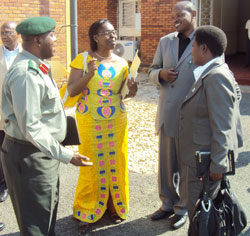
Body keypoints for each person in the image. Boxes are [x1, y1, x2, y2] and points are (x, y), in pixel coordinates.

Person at [0, 16, 92, 236]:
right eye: (52, 35)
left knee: (45, 217)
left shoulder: (38, 67)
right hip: (31, 156)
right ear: (38, 41)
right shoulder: (26, 74)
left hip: (40, 154)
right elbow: (31, 126)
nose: (56, 40)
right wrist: (67, 156)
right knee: (37, 226)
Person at [66, 19, 137, 233]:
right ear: (95, 37)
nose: (112, 36)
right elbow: (71, 91)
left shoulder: (122, 63)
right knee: (91, 162)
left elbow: (126, 94)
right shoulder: (83, 59)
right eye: (107, 33)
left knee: (117, 160)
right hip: (89, 119)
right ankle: (87, 209)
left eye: (114, 32)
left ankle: (114, 205)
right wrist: (89, 73)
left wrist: (133, 89)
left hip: (116, 119)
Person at [179, 25, 242, 219]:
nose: (191, 50)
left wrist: (218, 166)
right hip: (200, 158)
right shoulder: (213, 72)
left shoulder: (216, 77)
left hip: (205, 163)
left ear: (204, 48)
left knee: (202, 216)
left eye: (194, 46)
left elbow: (223, 125)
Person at [148, 1, 197, 229]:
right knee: (166, 165)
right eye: (172, 16)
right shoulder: (165, 41)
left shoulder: (205, 40)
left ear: (193, 14)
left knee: (187, 166)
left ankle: (183, 208)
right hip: (168, 113)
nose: (175, 19)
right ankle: (167, 203)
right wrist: (161, 75)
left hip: (192, 116)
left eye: (180, 14)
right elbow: (150, 70)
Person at [0, 21, 22, 203]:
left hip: (23, 112)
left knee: (22, 148)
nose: (4, 35)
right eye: (2, 33)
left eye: (8, 32)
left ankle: (21, 183)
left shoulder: (28, 55)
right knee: (2, 149)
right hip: (1, 113)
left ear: (18, 33)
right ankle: (2, 185)